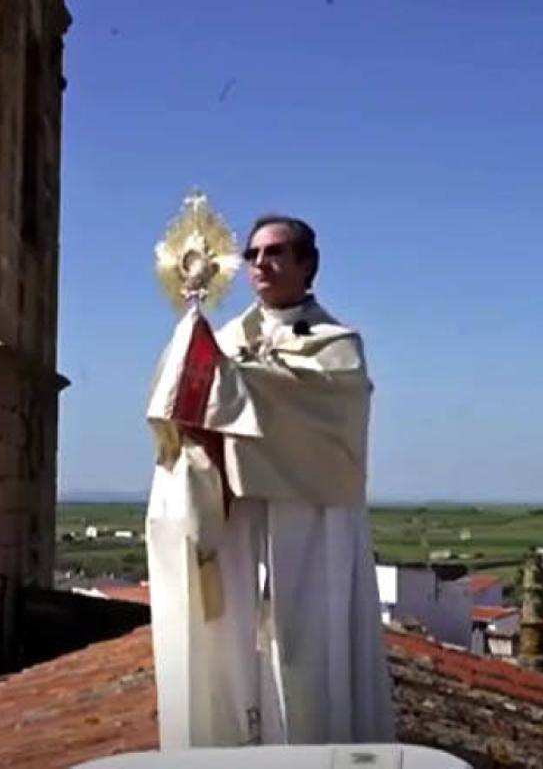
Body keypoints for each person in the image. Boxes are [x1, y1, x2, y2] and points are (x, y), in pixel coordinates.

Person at [144, 214, 395, 749]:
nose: (261, 263)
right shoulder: (225, 338)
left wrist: (225, 383)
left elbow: (314, 409)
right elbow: (187, 412)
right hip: (233, 516)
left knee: (306, 650)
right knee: (229, 650)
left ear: (307, 267)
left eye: (277, 252)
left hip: (308, 519)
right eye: (254, 254)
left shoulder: (337, 345)